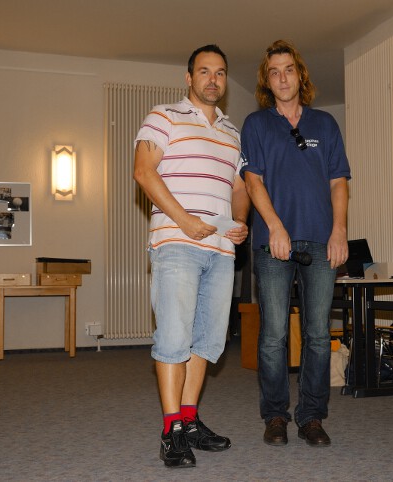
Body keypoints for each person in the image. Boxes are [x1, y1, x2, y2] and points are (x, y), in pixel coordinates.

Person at [133, 44, 250, 468]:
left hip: (220, 250)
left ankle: (189, 420)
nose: (212, 79)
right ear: (189, 78)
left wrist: (240, 221)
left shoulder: (233, 132)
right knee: (174, 337)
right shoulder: (163, 116)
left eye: (220, 72)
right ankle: (171, 431)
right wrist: (184, 220)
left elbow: (239, 187)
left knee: (206, 340)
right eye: (204, 71)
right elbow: (143, 171)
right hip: (177, 243)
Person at [240, 39, 351, 447]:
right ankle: (275, 415)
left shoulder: (325, 124)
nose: (282, 78)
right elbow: (253, 181)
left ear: (300, 75)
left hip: (322, 241)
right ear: (266, 81)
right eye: (274, 72)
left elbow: (338, 182)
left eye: (289, 69)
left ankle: (311, 416)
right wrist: (275, 227)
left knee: (318, 334)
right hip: (273, 244)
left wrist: (339, 231)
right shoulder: (256, 125)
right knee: (273, 334)